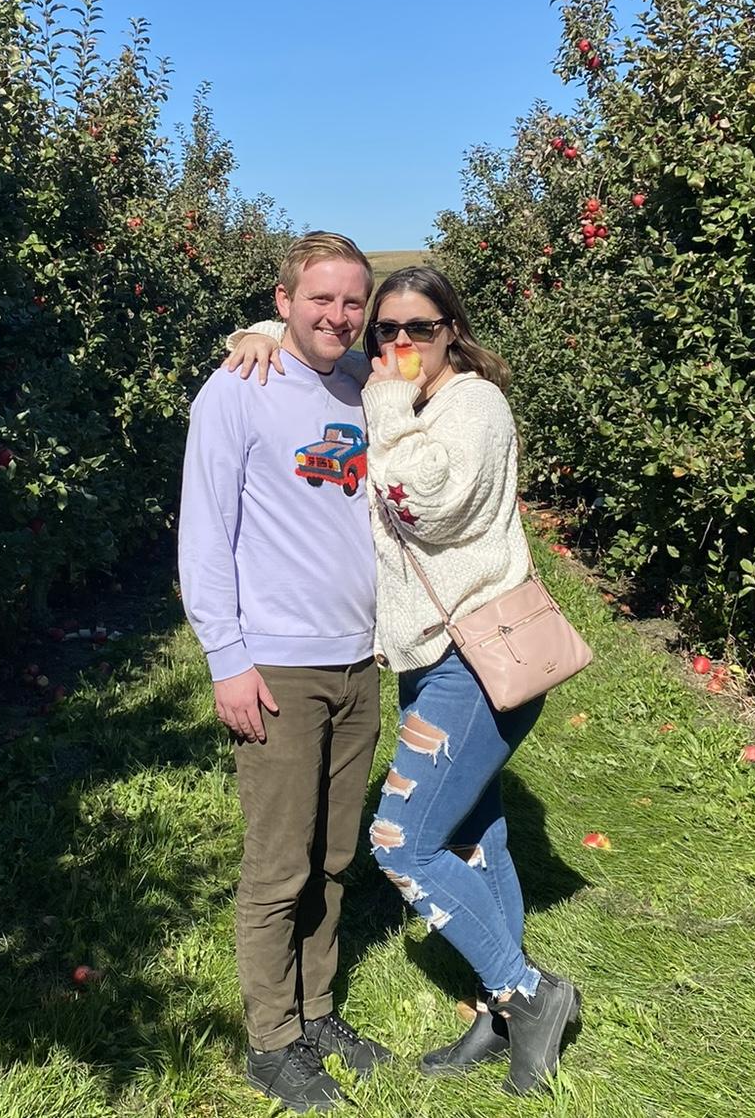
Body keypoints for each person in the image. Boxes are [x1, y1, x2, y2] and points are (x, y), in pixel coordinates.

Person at [223, 263, 581, 1096]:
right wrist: (260, 335)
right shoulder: (398, 382)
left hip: (474, 657)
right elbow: (315, 340)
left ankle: (531, 994)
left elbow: (425, 500)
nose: (400, 344)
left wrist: (386, 399)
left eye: (420, 328)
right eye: (386, 330)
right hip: (431, 654)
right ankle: (501, 1009)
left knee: (401, 841)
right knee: (476, 835)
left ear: (452, 329)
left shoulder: (471, 405)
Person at [178, 231, 393, 1114]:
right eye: (320, 300)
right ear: (283, 301)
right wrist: (227, 659)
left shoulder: (365, 385)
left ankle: (316, 1011)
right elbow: (204, 531)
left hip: (357, 659)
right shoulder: (237, 389)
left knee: (334, 857)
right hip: (278, 664)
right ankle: (271, 1042)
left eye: (352, 302)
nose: (338, 316)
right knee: (279, 865)